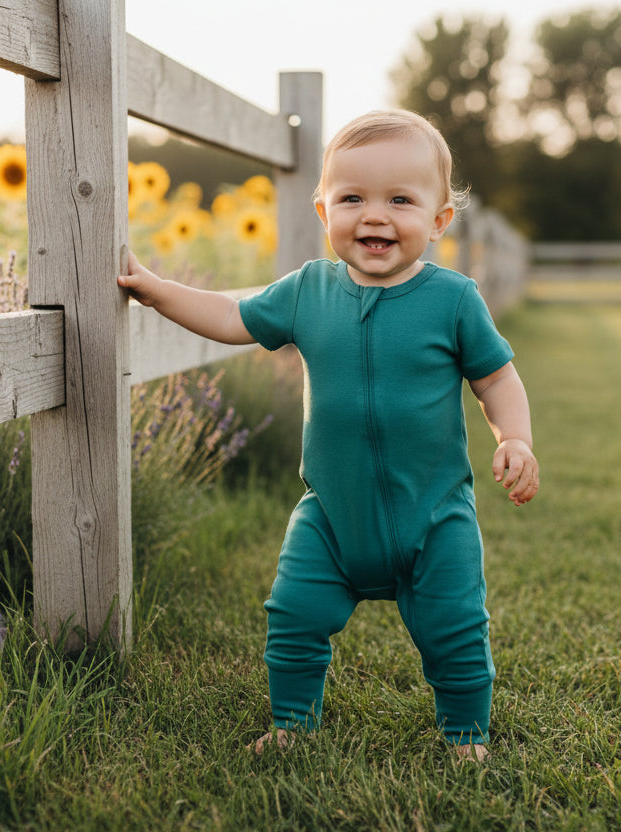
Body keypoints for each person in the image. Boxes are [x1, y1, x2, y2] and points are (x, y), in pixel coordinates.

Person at [118, 109, 539, 761]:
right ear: (324, 211)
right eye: (352, 199)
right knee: (294, 613)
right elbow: (230, 316)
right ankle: (292, 725)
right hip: (332, 514)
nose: (375, 216)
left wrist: (514, 437)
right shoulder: (307, 292)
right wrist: (157, 290)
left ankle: (465, 736)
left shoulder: (454, 300)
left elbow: (497, 378)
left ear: (438, 220)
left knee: (456, 627)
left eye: (400, 200)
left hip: (434, 516)